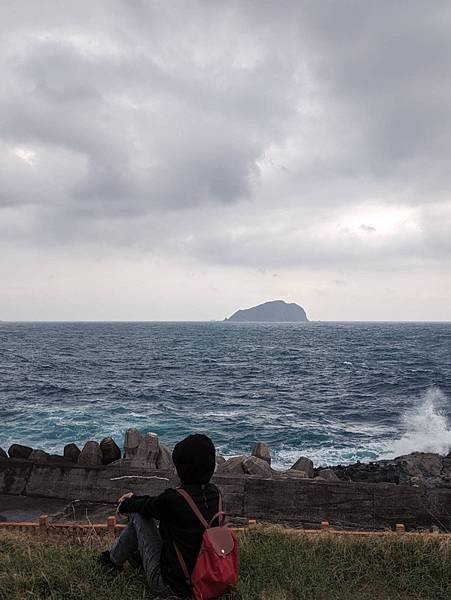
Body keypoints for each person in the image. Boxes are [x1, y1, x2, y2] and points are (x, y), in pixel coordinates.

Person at [98, 433, 221, 599]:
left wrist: (127, 502)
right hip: (208, 577)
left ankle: (112, 560)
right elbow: (155, 503)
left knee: (138, 516)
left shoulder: (175, 499)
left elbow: (145, 506)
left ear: (181, 469)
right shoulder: (216, 494)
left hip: (171, 586)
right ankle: (137, 557)